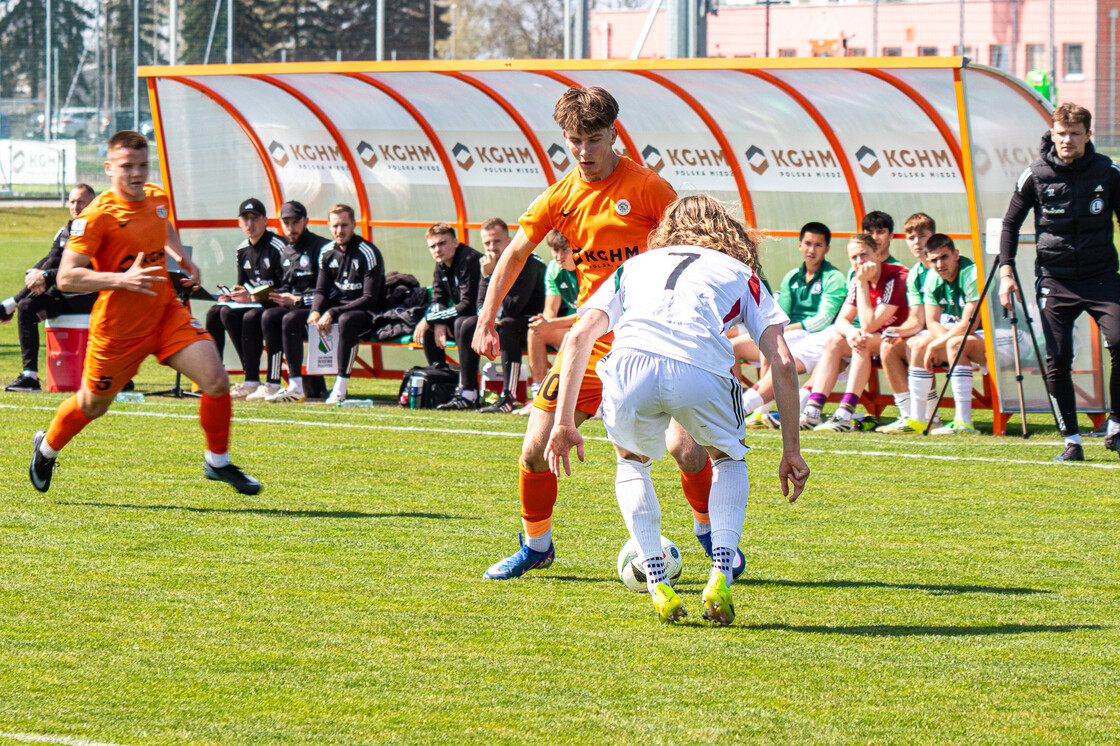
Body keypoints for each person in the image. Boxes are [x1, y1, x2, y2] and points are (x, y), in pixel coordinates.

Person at [472, 85, 714, 581]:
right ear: (564, 136)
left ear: (613, 135)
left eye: (595, 139)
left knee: (686, 451)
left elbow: (692, 253)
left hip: (659, 339)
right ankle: (537, 546)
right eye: (575, 140)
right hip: (595, 341)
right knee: (534, 451)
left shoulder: (648, 188)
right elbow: (515, 253)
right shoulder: (562, 196)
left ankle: (712, 537)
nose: (584, 152)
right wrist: (485, 315)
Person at [544, 195, 809, 624]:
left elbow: (577, 339)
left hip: (630, 362)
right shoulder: (743, 273)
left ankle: (655, 579)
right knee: (728, 458)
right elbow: (780, 359)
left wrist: (563, 422)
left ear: (667, 229)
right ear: (730, 231)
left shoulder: (634, 265)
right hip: (700, 366)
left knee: (631, 464)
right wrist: (791, 450)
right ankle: (721, 572)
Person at [28, 130, 259, 495]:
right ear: (108, 168)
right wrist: (121, 279)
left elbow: (161, 224)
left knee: (215, 379)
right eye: (126, 167)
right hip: (118, 330)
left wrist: (181, 254)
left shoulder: (155, 197)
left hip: (165, 312)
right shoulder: (96, 216)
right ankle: (46, 447)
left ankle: (218, 461)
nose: (136, 174)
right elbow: (69, 276)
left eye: (142, 165)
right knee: (93, 404)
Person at [1000, 102, 1120, 462]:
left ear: (1087, 136)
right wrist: (1006, 272)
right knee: (1057, 360)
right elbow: (1009, 224)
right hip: (1056, 279)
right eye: (1061, 133)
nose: (1067, 140)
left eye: (1074, 134)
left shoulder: (1108, 171)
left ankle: (1115, 428)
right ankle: (1072, 441)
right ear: (1052, 134)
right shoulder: (1034, 174)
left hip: (1102, 277)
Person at [741, 221, 846, 428]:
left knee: (775, 345)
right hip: (792, 332)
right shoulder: (791, 277)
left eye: (818, 245)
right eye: (808, 243)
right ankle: (749, 409)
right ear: (800, 245)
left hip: (814, 335)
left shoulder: (834, 277)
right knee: (735, 347)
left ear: (827, 248)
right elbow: (780, 312)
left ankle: (749, 409)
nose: (812, 249)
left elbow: (823, 319)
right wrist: (778, 329)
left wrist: (784, 329)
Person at [801, 233, 908, 431]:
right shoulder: (857, 275)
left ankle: (844, 414)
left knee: (863, 339)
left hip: (903, 336)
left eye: (864, 255)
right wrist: (850, 333)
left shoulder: (896, 276)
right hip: (879, 337)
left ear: (877, 253)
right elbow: (842, 320)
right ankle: (813, 410)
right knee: (835, 340)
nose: (859, 262)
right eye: (854, 258)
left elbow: (870, 324)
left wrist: (861, 283)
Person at [2, 184, 98, 392]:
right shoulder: (66, 231)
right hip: (64, 296)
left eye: (81, 201)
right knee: (27, 307)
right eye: (72, 202)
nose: (76, 206)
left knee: (34, 288)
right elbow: (51, 259)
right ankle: (30, 377)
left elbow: (83, 267)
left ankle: (115, 376)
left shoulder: (98, 230)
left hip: (92, 298)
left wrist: (45, 276)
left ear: (93, 203)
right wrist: (35, 275)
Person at [203, 197, 285, 399]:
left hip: (275, 304)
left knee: (245, 316)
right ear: (239, 223)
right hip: (254, 304)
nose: (250, 223)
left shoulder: (277, 246)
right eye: (245, 219)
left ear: (265, 221)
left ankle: (253, 379)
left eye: (254, 218)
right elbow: (243, 285)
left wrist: (250, 297)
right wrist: (230, 295)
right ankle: (214, 375)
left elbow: (286, 287)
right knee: (217, 311)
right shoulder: (242, 249)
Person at [307, 204, 386, 405]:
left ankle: (340, 387)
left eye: (344, 225)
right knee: (288, 319)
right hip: (337, 312)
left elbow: (370, 298)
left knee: (346, 320)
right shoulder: (326, 252)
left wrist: (332, 311)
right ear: (328, 225)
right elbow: (321, 290)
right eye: (334, 226)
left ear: (354, 224)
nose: (339, 231)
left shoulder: (368, 252)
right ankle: (296, 385)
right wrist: (315, 311)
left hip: (367, 314)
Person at [261, 200, 331, 403]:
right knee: (268, 316)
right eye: (286, 223)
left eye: (295, 222)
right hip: (296, 308)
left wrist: (297, 300)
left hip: (318, 310)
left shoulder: (322, 248)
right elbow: (286, 286)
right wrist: (271, 295)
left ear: (306, 221)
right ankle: (272, 383)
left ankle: (296, 385)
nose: (291, 228)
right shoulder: (286, 250)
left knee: (289, 319)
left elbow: (325, 291)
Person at [474, 217, 546, 414]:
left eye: (496, 241)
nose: (491, 247)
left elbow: (514, 307)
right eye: (487, 243)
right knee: (467, 324)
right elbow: (481, 305)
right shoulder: (489, 264)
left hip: (540, 321)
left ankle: (509, 396)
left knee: (507, 325)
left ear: (509, 240)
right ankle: (467, 391)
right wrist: (486, 278)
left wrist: (490, 276)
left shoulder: (527, 261)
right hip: (512, 320)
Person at [877, 213, 939, 433]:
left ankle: (928, 416)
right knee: (888, 345)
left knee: (916, 344)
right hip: (929, 333)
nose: (917, 242)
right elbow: (916, 319)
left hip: (953, 333)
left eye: (922, 236)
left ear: (933, 236)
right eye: (911, 237)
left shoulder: (944, 264)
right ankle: (908, 415)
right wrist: (896, 330)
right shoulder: (914, 274)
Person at [411, 223, 483, 410]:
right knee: (429, 330)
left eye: (442, 244)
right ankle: (441, 380)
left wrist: (431, 319)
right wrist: (437, 322)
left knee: (462, 324)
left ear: (455, 242)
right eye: (433, 246)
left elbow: (468, 305)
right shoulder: (440, 265)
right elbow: (437, 298)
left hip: (483, 318)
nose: (437, 250)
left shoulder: (469, 259)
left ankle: (469, 391)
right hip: (463, 316)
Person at [918, 234, 983, 434]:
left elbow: (969, 325)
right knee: (915, 344)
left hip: (1004, 336)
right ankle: (917, 418)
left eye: (944, 257)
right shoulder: (932, 276)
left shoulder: (972, 273)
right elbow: (932, 321)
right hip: (964, 338)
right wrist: (937, 343)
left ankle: (963, 422)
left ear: (956, 254)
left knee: (954, 344)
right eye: (934, 260)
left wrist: (937, 345)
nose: (939, 264)